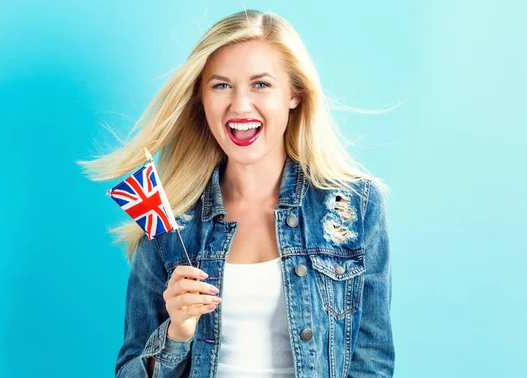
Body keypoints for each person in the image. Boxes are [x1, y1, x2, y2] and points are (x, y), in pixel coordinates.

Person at [79, 9, 394, 378]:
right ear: (202, 98)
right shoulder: (171, 222)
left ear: (294, 94)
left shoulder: (353, 208)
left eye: (260, 84)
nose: (240, 105)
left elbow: (372, 363)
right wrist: (176, 333)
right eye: (221, 85)